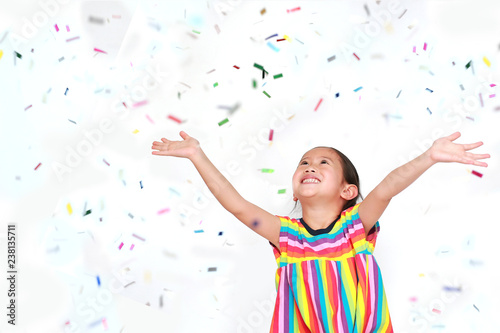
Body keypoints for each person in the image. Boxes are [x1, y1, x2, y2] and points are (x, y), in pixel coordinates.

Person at [151, 131, 489, 332]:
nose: (310, 165)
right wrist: (197, 155)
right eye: (304, 162)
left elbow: (387, 188)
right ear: (295, 192)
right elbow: (236, 204)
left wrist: (428, 157)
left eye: (324, 163)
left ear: (348, 191)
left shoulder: (354, 228)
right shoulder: (286, 235)